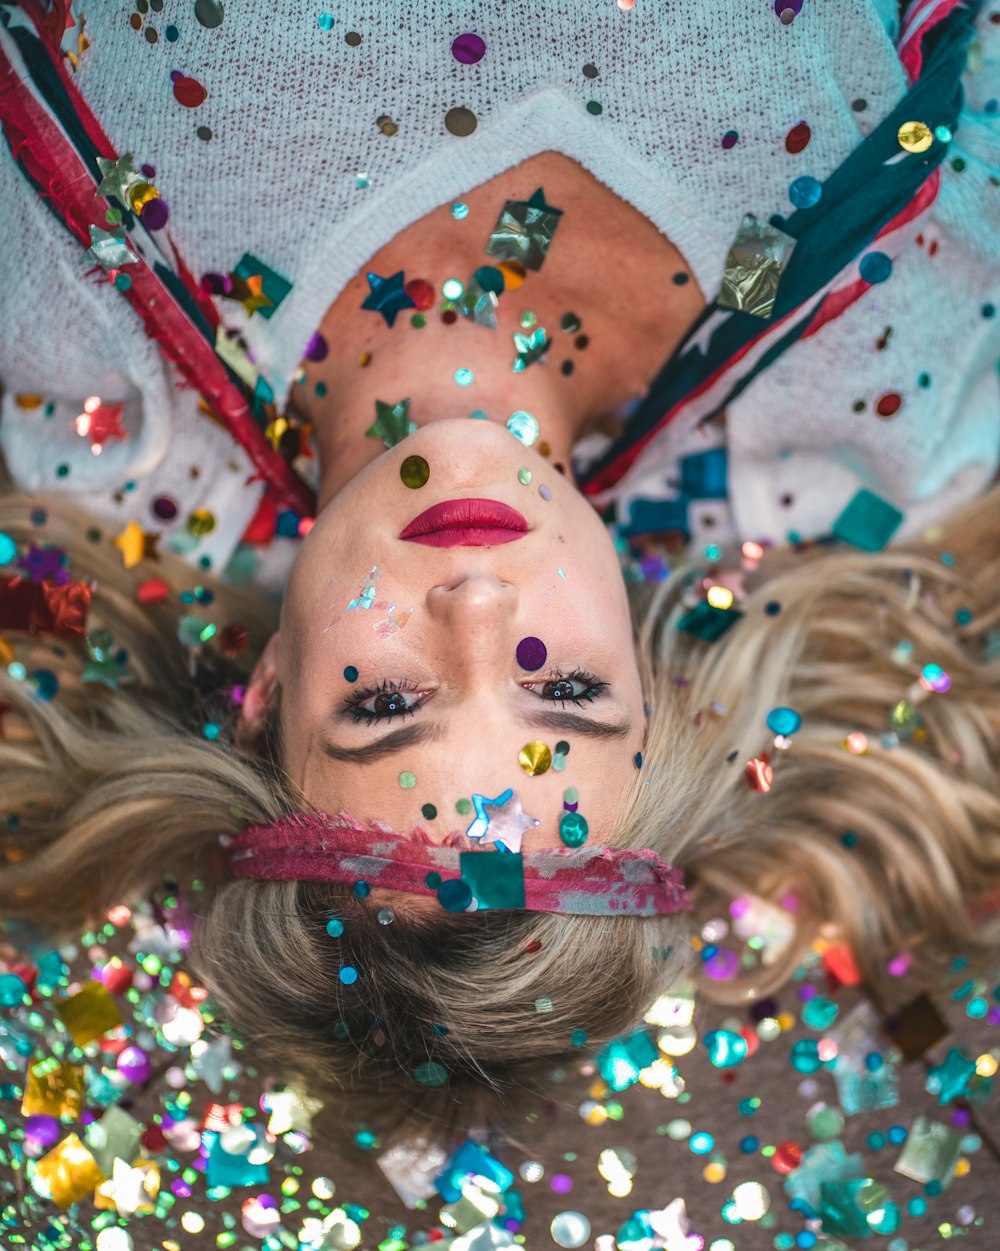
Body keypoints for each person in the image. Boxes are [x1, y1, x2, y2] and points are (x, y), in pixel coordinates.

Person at [0, 0, 998, 1146]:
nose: (475, 605)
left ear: (267, 690)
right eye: (565, 693)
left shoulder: (83, 334)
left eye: (383, 702)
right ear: (658, 703)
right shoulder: (876, 369)